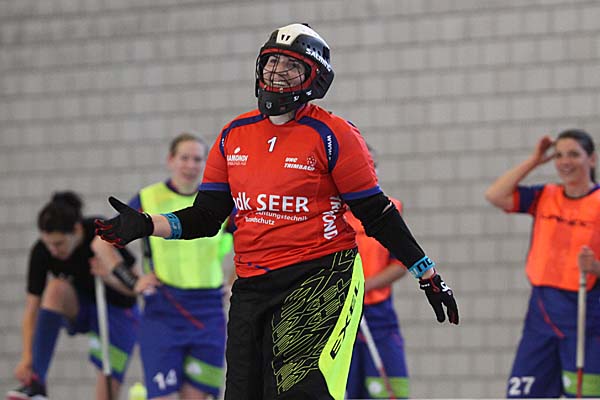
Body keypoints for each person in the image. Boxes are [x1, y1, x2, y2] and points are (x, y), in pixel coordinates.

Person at [95, 23, 459, 400]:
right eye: (272, 61)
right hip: (252, 284)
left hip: (318, 278)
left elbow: (377, 214)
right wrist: (146, 224)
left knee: (297, 394)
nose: (277, 72)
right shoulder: (233, 134)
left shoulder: (334, 134)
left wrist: (427, 274)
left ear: (315, 78)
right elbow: (205, 217)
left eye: (291, 65)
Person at [6, 192, 157, 400]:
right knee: (56, 289)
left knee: (106, 393)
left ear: (76, 230)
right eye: (48, 243)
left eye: (59, 244)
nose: (53, 250)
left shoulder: (100, 233)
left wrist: (109, 277)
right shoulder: (42, 252)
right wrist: (27, 357)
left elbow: (136, 288)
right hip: (81, 309)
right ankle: (37, 383)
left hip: (118, 312)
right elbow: (32, 310)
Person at [485, 129, 600, 398]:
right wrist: (535, 161)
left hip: (586, 314)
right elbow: (495, 195)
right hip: (542, 313)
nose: (565, 162)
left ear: (592, 159)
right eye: (558, 155)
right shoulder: (545, 195)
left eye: (573, 154)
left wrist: (596, 267)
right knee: (522, 394)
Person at [129, 133, 233, 400]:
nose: (190, 165)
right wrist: (133, 280)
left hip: (208, 309)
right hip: (164, 307)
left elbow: (251, 240)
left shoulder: (220, 202)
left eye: (197, 159)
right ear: (170, 160)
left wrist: (235, 281)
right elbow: (103, 244)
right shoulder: (148, 198)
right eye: (184, 158)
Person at [345, 196, 410, 399]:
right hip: (341, 314)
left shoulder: (389, 207)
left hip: (378, 314)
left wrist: (364, 286)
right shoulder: (328, 210)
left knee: (391, 388)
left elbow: (400, 263)